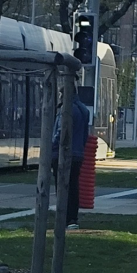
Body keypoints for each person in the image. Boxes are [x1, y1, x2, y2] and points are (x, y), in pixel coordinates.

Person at [50, 89, 90, 229]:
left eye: (61, 94)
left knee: (61, 186)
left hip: (62, 154)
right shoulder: (84, 110)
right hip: (78, 154)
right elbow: (85, 135)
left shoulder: (66, 110)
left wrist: (51, 146)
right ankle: (73, 217)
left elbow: (60, 132)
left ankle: (64, 217)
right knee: (73, 186)